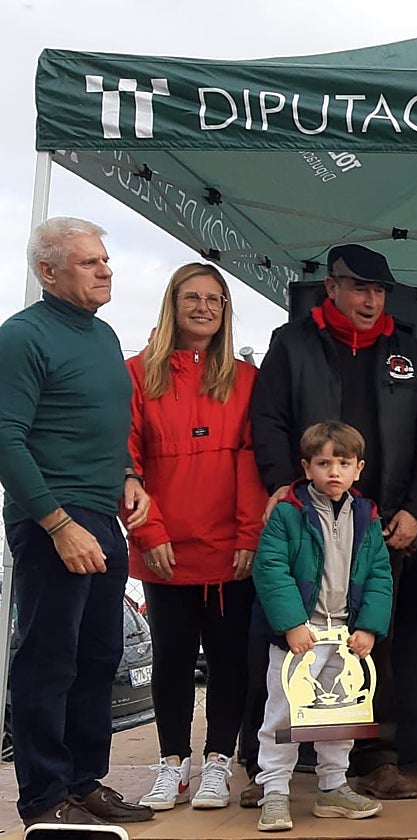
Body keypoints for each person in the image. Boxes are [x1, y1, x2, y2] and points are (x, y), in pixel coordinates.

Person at [250, 244, 417, 801]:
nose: (370, 300)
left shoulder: (406, 349)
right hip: (307, 522)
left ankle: (376, 759)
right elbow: (266, 421)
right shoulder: (291, 344)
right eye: (359, 288)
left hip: (382, 527)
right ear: (331, 287)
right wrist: (277, 490)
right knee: (291, 641)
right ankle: (274, 772)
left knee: (372, 644)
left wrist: (414, 508)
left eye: (379, 290)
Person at [0, 217, 154, 827]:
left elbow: (104, 421)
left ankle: (86, 781)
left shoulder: (101, 334)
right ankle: (43, 798)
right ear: (48, 271)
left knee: (99, 654)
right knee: (48, 658)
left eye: (105, 259)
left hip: (102, 513)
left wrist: (127, 474)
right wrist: (58, 524)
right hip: (51, 517)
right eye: (89, 262)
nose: (106, 269)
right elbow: (6, 438)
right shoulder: (22, 337)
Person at [124, 263, 266, 811]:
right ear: (173, 303)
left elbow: (255, 465)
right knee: (172, 660)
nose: (204, 307)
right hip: (163, 549)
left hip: (230, 549)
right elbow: (126, 459)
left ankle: (218, 762)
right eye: (193, 297)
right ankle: (171, 763)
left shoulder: (246, 380)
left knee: (230, 661)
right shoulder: (138, 375)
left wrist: (250, 536)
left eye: (215, 298)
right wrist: (149, 530)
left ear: (226, 309)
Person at [252, 421, 393, 832]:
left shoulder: (366, 515)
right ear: (306, 466)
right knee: (282, 715)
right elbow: (271, 569)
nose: (334, 471)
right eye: (324, 462)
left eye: (343, 463)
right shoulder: (287, 513)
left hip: (346, 636)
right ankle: (274, 792)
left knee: (340, 713)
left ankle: (333, 787)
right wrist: (292, 624)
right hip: (300, 637)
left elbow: (380, 574)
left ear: (359, 468)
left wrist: (367, 627)